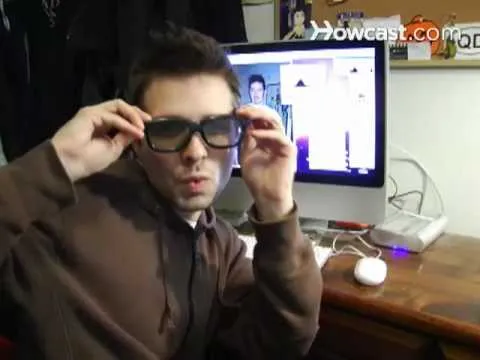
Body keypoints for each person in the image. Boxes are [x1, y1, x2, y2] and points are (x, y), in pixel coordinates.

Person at [0, 26, 322, 359]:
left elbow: (284, 340)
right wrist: (56, 163)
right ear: (135, 138)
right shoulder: (59, 225)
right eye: (169, 130)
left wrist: (275, 205)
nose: (196, 152)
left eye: (215, 128)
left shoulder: (219, 244)